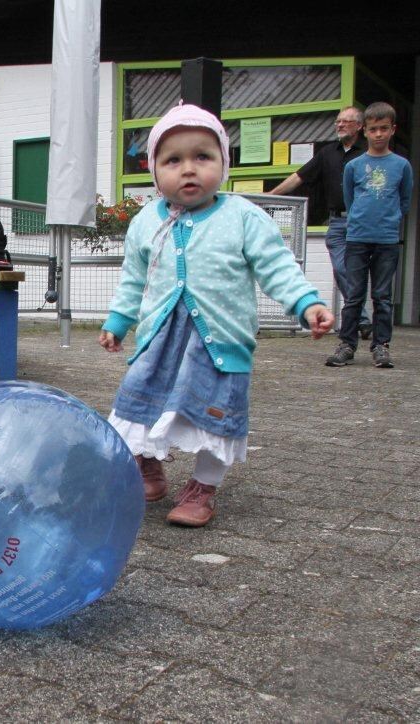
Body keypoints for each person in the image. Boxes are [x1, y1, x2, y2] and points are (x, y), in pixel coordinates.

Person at [99, 104, 333, 527]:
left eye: (202, 157)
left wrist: (306, 303)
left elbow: (277, 266)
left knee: (214, 413)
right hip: (160, 338)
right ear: (154, 170)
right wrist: (118, 322)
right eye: (173, 160)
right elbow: (135, 281)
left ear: (223, 163)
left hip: (220, 341)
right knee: (138, 401)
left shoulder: (243, 216)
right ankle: (148, 468)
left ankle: (202, 489)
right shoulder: (144, 223)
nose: (188, 169)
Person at [267, 106, 372, 339]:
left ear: (359, 127)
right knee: (342, 269)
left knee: (357, 272)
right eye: (338, 121)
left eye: (346, 121)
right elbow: (299, 176)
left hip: (364, 223)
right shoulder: (327, 153)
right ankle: (361, 319)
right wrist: (271, 195)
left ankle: (360, 320)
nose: (340, 125)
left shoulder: (367, 154)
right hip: (337, 222)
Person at [326, 102, 413, 370]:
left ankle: (381, 346)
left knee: (382, 295)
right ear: (365, 131)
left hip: (387, 239)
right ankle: (347, 345)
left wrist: (390, 220)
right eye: (373, 129)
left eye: (383, 129)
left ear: (392, 130)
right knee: (353, 294)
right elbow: (350, 200)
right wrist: (359, 221)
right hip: (357, 238)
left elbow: (405, 200)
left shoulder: (402, 165)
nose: (378, 134)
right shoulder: (354, 166)